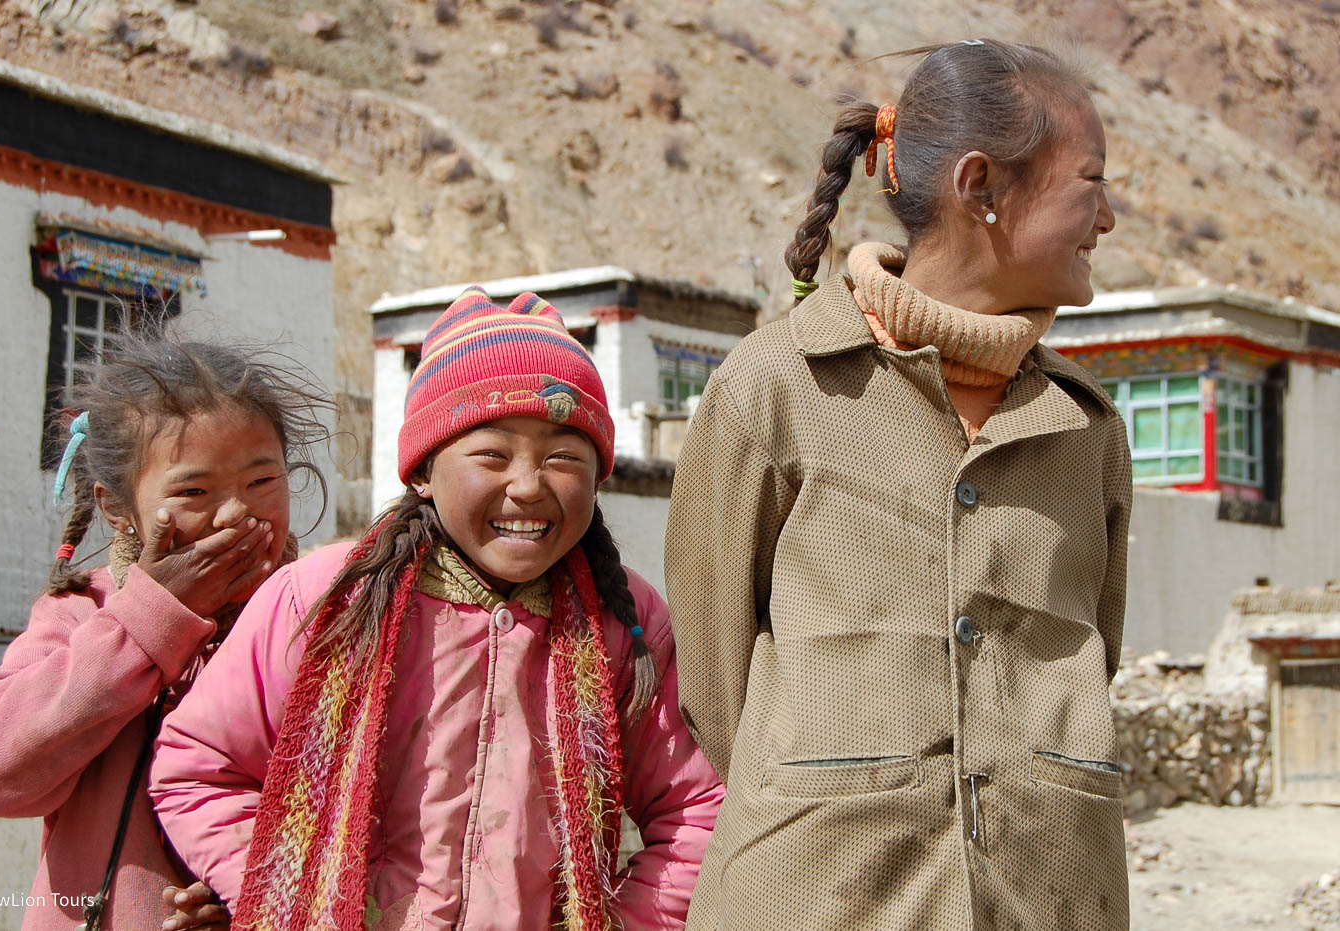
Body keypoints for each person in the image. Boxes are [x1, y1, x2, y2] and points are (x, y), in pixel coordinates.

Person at [665, 39, 1132, 930]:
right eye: (1092, 183)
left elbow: (1094, 663)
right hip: (812, 900)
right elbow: (717, 689)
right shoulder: (774, 389)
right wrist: (839, 784)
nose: (1105, 220)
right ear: (981, 186)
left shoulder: (1087, 430)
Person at [150, 288, 724, 931]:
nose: (529, 485)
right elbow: (201, 770)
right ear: (422, 470)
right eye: (492, 454)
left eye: (564, 457)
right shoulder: (323, 600)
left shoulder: (628, 623)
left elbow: (697, 812)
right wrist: (290, 901)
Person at [0, 329, 331, 930]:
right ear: (117, 509)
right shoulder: (84, 615)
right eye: (193, 491)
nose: (235, 513)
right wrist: (153, 615)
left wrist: (246, 895)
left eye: (262, 482)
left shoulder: (319, 618)